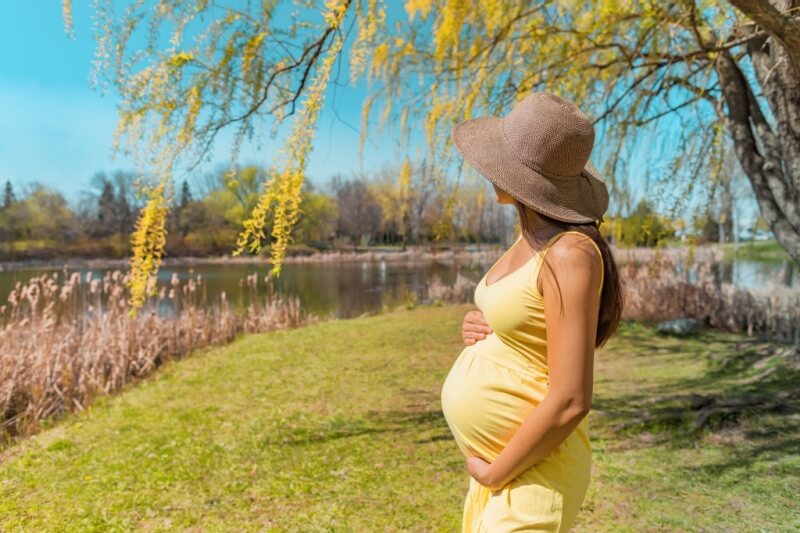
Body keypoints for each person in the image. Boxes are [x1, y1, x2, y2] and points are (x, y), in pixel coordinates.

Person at [440, 91, 625, 532]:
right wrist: (487, 329)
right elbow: (532, 323)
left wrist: (496, 471)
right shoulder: (532, 238)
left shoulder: (571, 253)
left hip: (532, 471)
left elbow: (571, 400)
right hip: (508, 468)